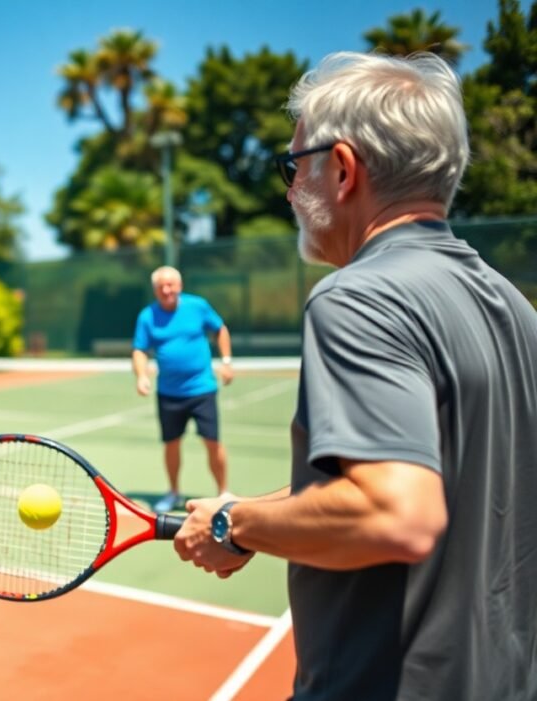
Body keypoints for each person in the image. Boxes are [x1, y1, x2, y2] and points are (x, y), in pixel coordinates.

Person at [172, 51, 537, 700]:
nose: (288, 190)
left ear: (341, 170)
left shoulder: (359, 297)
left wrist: (236, 528)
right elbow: (443, 478)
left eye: (293, 166)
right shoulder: (515, 308)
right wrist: (247, 510)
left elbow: (397, 514)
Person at [132, 265, 234, 513]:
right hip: (168, 394)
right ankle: (173, 491)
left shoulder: (197, 306)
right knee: (171, 444)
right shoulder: (147, 316)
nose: (166, 290)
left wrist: (227, 362)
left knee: (213, 442)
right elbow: (139, 350)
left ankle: (223, 493)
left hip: (202, 390)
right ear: (155, 290)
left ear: (179, 286)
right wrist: (141, 375)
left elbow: (220, 329)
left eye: (170, 284)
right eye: (160, 286)